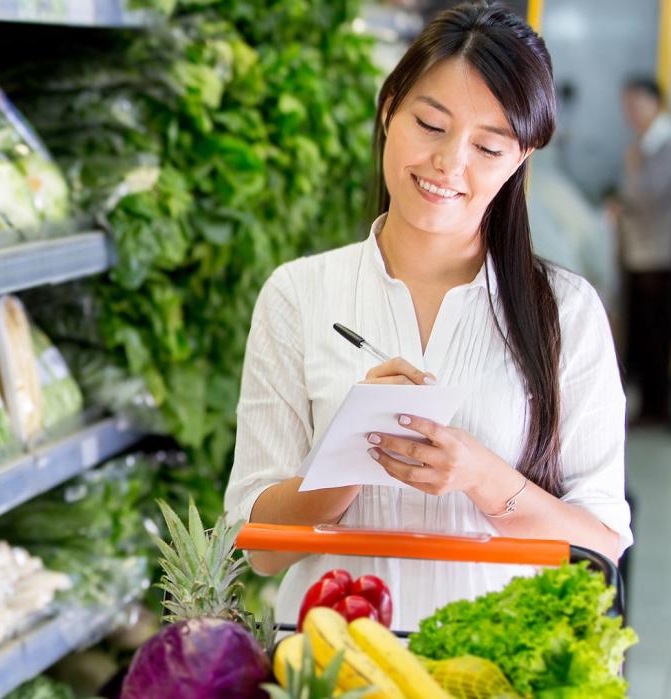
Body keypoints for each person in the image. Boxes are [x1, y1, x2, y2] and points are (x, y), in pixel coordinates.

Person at [224, 1, 631, 630]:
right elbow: (261, 548)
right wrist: (347, 456)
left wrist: (482, 476)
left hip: (493, 671)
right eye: (430, 125)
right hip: (330, 667)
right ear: (389, 110)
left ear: (520, 159)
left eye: (489, 146)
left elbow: (599, 543)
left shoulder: (565, 311)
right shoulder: (297, 294)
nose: (450, 164)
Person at [617, 77, 671, 425]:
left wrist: (622, 203)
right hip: (644, 251)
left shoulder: (661, 144)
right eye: (627, 107)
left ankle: (657, 409)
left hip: (660, 254)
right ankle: (652, 406)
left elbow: (648, 195)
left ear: (656, 103)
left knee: (657, 332)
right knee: (647, 331)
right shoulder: (644, 144)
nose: (631, 113)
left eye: (637, 105)